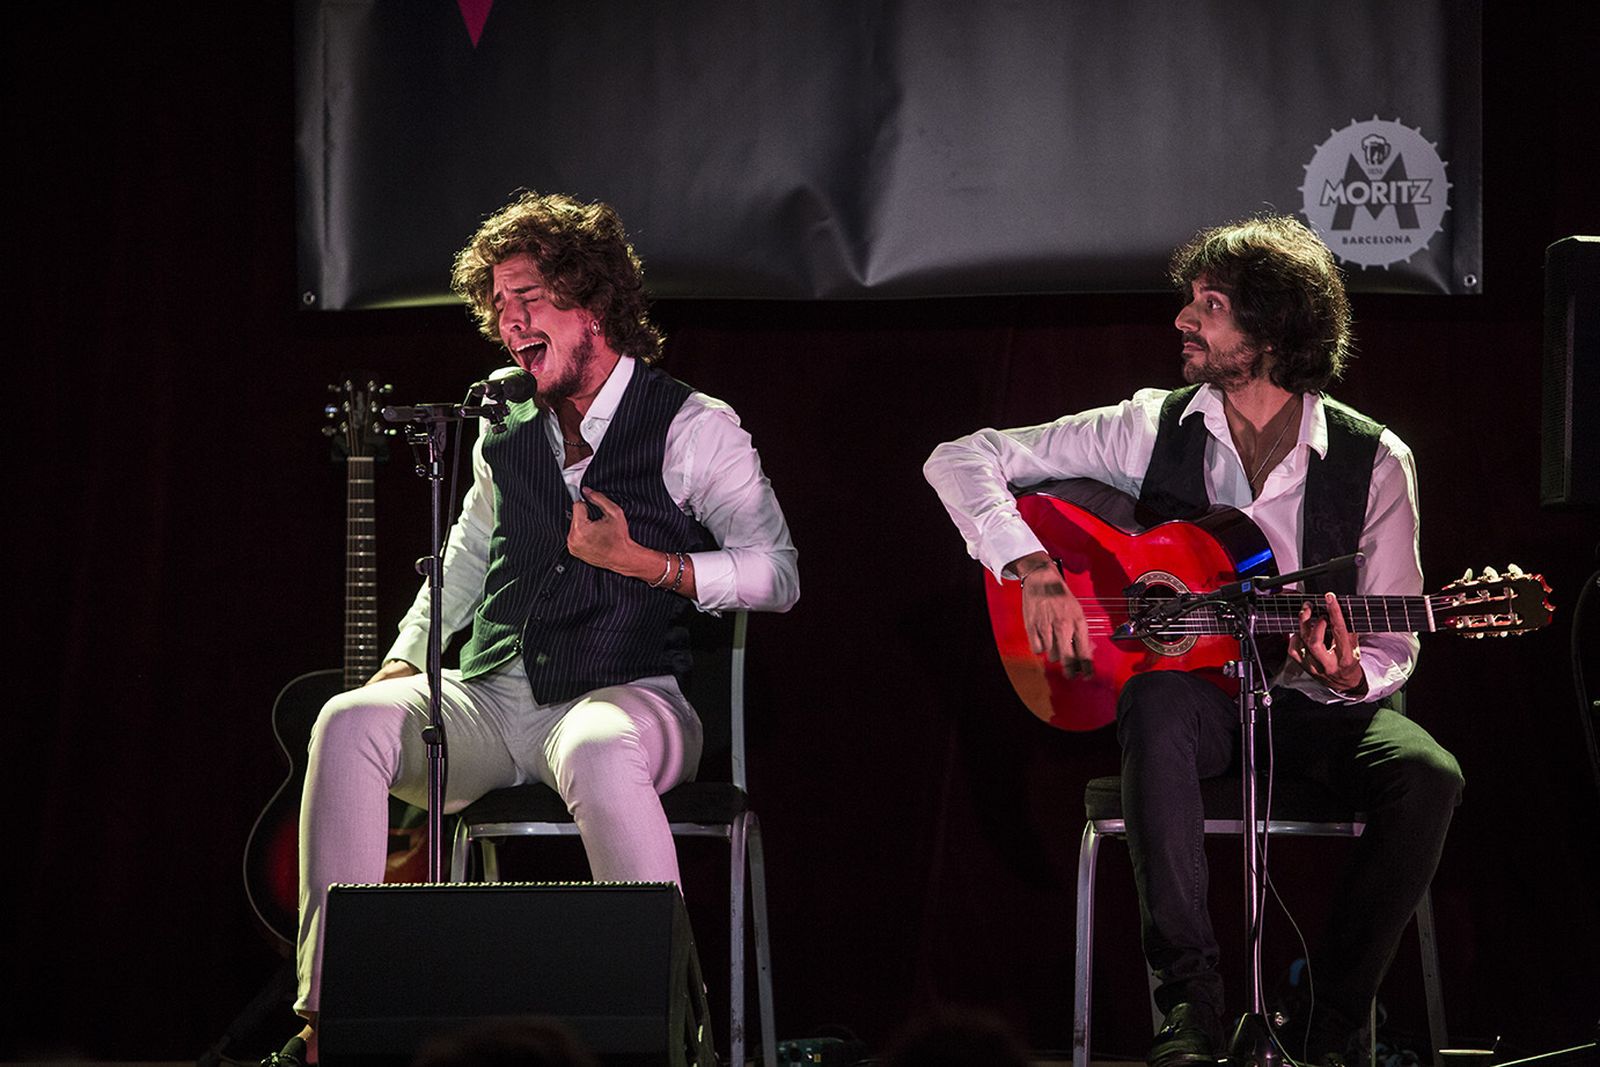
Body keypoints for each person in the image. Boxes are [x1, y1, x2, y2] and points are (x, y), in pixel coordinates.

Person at [265, 191, 799, 1065]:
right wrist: (404, 661)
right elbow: (466, 559)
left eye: (529, 299)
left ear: (592, 304)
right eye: (498, 308)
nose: (510, 324)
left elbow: (779, 573)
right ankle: (334, 1019)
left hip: (628, 692)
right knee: (348, 719)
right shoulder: (499, 428)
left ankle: (668, 1031)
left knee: (594, 747)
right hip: (497, 695)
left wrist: (651, 564)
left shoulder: (694, 426)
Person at [923, 215, 1461, 1067]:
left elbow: (1398, 634)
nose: (1183, 320)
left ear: (1274, 328)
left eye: (1208, 306)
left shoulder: (1376, 460)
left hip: (1323, 709)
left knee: (1429, 774)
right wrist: (1030, 566)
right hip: (1205, 701)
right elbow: (961, 456)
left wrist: (1351, 666)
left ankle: (1331, 1022)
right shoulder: (1150, 425)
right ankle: (1191, 1010)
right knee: (1156, 697)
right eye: (1190, 302)